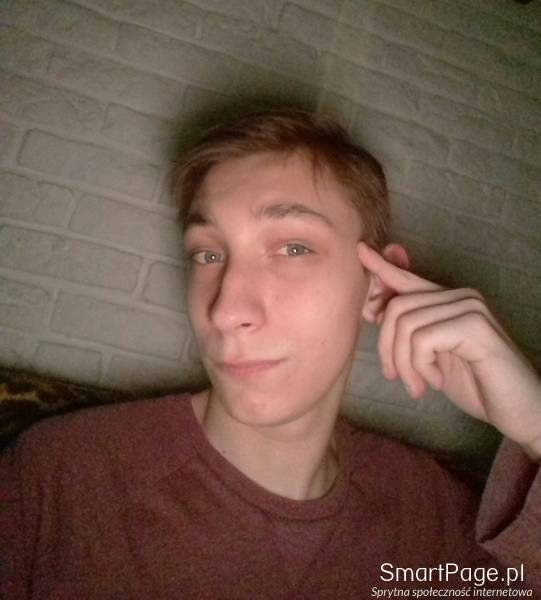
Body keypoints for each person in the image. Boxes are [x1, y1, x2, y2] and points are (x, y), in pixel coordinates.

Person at [1, 109, 540, 598]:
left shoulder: (429, 515)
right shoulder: (62, 478)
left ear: (377, 284)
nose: (225, 309)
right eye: (208, 254)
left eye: (293, 248)